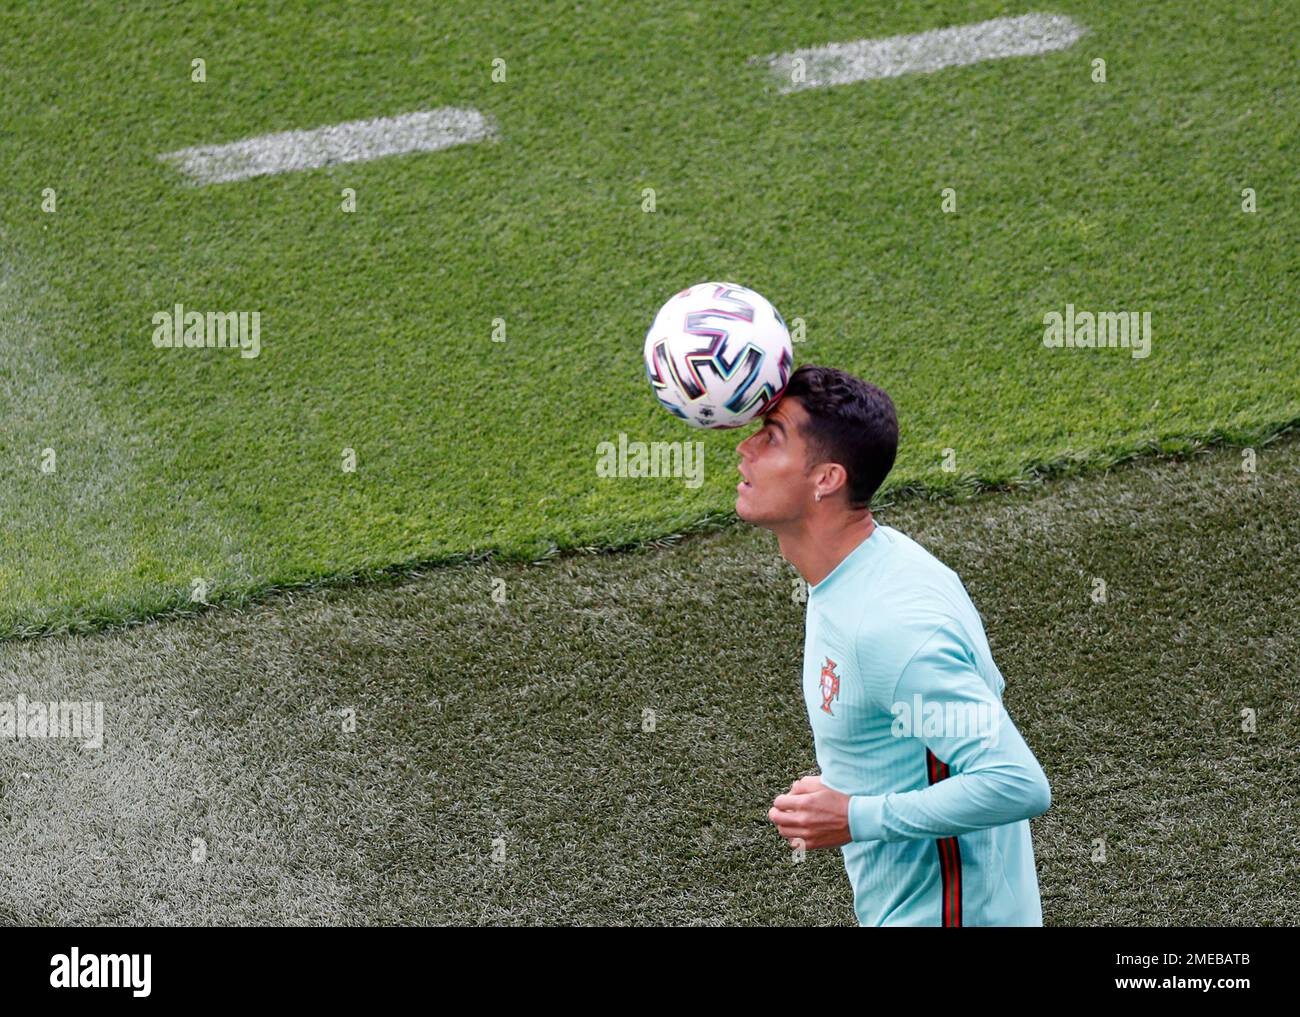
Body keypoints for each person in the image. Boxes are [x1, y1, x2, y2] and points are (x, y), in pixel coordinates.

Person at [738, 364, 1051, 926]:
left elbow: (1015, 783)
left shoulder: (891, 626)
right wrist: (854, 784)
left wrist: (857, 815)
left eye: (771, 437)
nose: (745, 448)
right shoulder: (857, 571)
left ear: (826, 479)